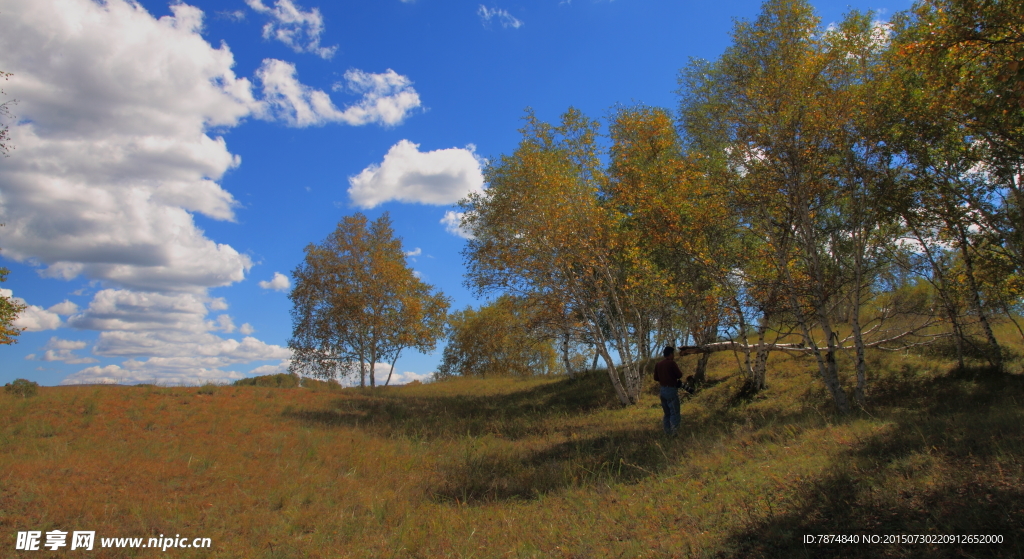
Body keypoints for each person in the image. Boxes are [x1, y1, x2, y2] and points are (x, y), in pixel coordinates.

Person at [653, 346, 684, 435]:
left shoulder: (658, 364)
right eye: (673, 354)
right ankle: (675, 432)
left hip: (662, 389)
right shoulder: (671, 363)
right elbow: (679, 375)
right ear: (670, 354)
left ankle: (667, 432)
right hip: (671, 389)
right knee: (674, 412)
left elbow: (656, 378)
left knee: (667, 413)